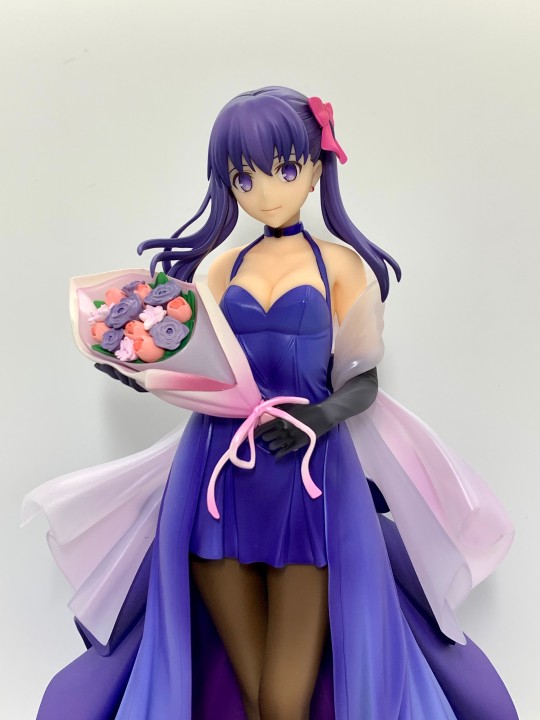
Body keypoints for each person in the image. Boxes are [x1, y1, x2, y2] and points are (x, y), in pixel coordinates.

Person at [31, 86, 518, 719]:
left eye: (284, 169)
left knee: (285, 697)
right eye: (243, 178)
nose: (265, 192)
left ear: (316, 170)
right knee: (250, 685)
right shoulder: (220, 269)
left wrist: (317, 416)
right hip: (215, 475)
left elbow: (362, 381)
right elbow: (207, 376)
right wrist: (149, 377)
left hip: (309, 479)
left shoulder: (340, 267)